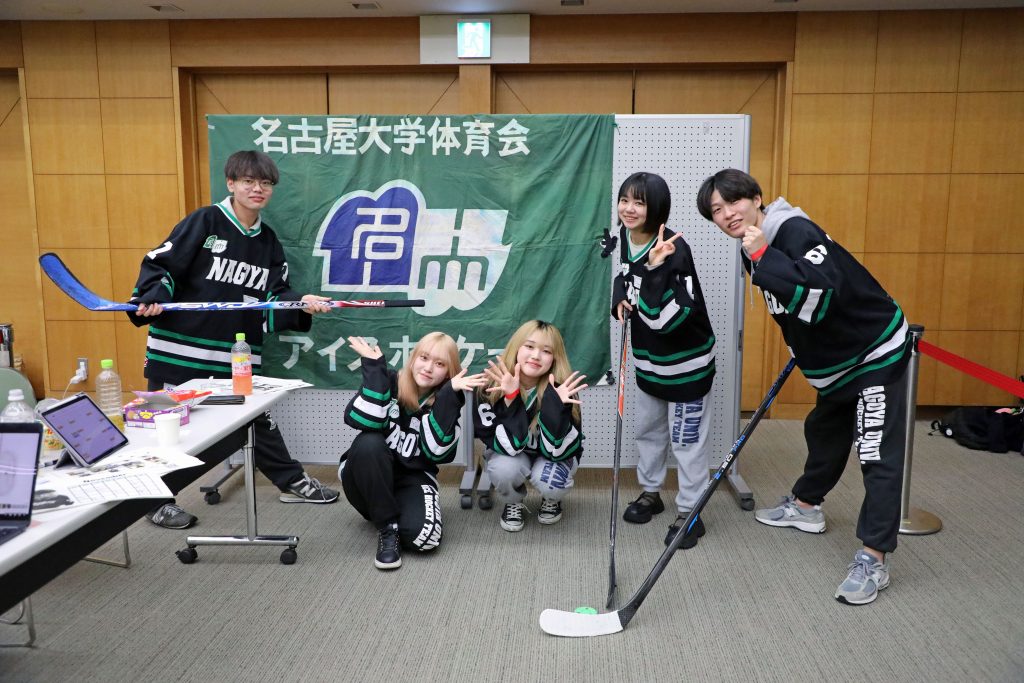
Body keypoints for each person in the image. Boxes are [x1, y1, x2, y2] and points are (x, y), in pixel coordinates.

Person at [697, 168, 911, 605]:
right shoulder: (753, 244)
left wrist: (762, 257)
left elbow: (823, 289)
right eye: (715, 211)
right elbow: (791, 307)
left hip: (873, 351)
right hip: (834, 361)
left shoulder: (791, 230)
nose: (726, 214)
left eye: (732, 202)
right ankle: (807, 507)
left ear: (756, 197)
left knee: (873, 449)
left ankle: (874, 556)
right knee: (824, 430)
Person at [129, 149, 339, 530]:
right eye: (248, 181)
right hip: (178, 353)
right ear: (231, 184)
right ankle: (154, 501)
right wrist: (152, 297)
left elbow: (274, 298)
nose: (257, 189)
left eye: (265, 183)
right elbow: (163, 265)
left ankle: (291, 482)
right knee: (164, 426)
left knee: (257, 420)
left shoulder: (269, 243)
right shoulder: (205, 221)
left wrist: (301, 304)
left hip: (236, 356)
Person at [610, 172, 717, 550]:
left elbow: (665, 317)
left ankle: (690, 512)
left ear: (656, 207)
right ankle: (651, 493)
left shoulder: (673, 249)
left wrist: (654, 270)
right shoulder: (625, 236)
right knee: (649, 431)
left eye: (639, 202)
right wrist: (620, 300)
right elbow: (625, 277)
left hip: (685, 363)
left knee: (686, 440)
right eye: (625, 199)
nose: (629, 208)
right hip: (649, 362)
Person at [339, 333, 486, 570]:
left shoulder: (446, 402)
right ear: (413, 357)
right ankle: (388, 527)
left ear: (449, 372)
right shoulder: (387, 379)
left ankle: (392, 511)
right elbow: (363, 420)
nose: (428, 368)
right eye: (424, 357)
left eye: (439, 364)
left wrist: (449, 395)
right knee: (369, 442)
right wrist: (374, 369)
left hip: (412, 479)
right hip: (366, 476)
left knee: (425, 539)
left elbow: (435, 451)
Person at [473, 320, 587, 532]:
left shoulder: (563, 390)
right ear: (516, 347)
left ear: (554, 358)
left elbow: (558, 450)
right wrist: (511, 397)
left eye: (546, 351)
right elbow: (508, 446)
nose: (536, 356)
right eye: (529, 346)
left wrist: (555, 408)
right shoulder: (490, 387)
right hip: (511, 455)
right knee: (503, 470)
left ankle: (552, 499)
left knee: (550, 481)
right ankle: (513, 501)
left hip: (551, 456)